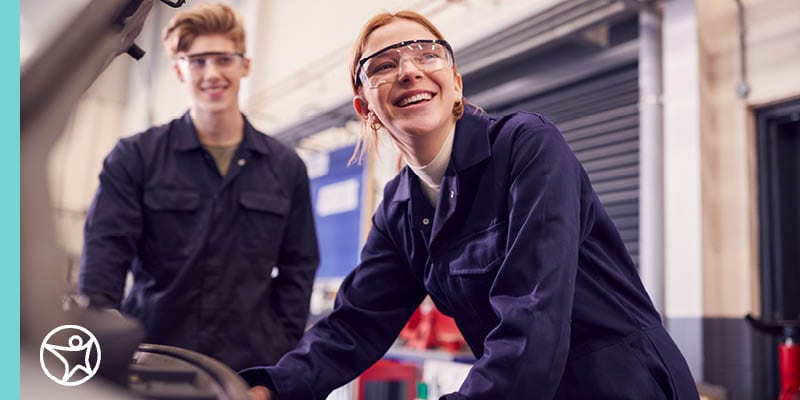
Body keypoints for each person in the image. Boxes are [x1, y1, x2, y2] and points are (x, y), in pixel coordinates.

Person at [242, 10, 699, 400]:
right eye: (383, 64)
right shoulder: (399, 210)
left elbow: (533, 312)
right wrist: (270, 388)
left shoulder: (526, 146)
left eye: (427, 54)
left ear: (456, 85)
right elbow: (353, 326)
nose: (409, 70)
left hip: (624, 382)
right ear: (366, 110)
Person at [78, 3, 319, 372]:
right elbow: (104, 257)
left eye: (224, 60)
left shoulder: (285, 167)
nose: (212, 73)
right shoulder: (135, 158)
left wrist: (282, 342)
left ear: (245, 65)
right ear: (179, 70)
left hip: (247, 369)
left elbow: (299, 266)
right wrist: (105, 346)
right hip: (151, 360)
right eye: (198, 61)